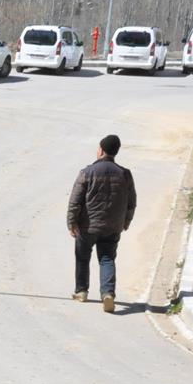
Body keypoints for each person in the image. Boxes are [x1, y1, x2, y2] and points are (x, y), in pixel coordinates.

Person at [67, 133, 137, 313]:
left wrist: (71, 222)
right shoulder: (125, 174)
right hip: (113, 226)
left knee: (83, 257)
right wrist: (127, 221)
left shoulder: (87, 172)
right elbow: (131, 201)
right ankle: (108, 294)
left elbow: (75, 200)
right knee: (107, 259)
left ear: (101, 150)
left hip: (87, 226)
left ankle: (81, 291)